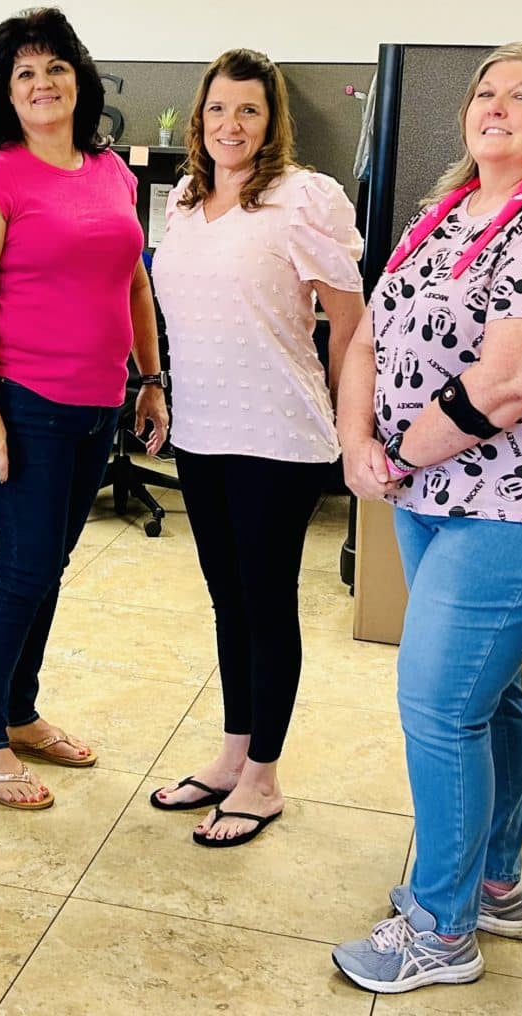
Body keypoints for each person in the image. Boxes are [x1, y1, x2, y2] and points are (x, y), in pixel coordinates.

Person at [330, 42, 522, 993]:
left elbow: (511, 383)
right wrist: (353, 438)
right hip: (434, 498)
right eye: (484, 92)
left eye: (520, 95)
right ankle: (495, 883)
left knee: (440, 704)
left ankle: (440, 928)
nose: (494, 106)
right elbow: (369, 330)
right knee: (490, 696)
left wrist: (398, 452)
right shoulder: (441, 213)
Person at [0, 7, 167, 808]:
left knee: (52, 566)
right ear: (8, 90)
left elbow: (135, 279)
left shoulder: (112, 173)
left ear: (80, 81)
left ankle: (20, 711)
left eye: (55, 69)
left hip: (100, 400)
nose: (42, 84)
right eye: (25, 73)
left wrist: (151, 377)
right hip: (25, 401)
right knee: (23, 570)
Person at [148, 49, 364, 847]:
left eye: (248, 111)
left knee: (267, 603)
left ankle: (266, 778)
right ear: (198, 117)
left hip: (278, 432)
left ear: (271, 120)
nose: (229, 125)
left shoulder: (304, 198)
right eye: (216, 110)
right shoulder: (185, 198)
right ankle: (234, 753)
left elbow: (349, 319)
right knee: (227, 599)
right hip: (202, 430)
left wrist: (354, 424)